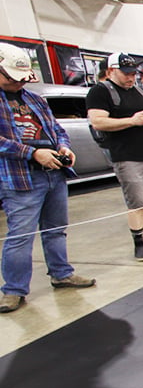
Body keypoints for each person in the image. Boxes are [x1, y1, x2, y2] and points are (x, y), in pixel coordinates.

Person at [0, 42, 95, 313]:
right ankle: (13, 289)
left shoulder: (34, 99)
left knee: (56, 229)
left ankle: (61, 273)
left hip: (54, 174)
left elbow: (56, 129)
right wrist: (31, 153)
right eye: (11, 78)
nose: (17, 83)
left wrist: (63, 147)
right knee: (21, 235)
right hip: (21, 180)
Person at [87, 52, 143, 261]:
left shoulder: (141, 92)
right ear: (111, 71)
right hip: (127, 156)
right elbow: (98, 122)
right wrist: (131, 121)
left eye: (133, 73)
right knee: (137, 203)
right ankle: (139, 244)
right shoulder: (100, 92)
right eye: (126, 73)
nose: (130, 77)